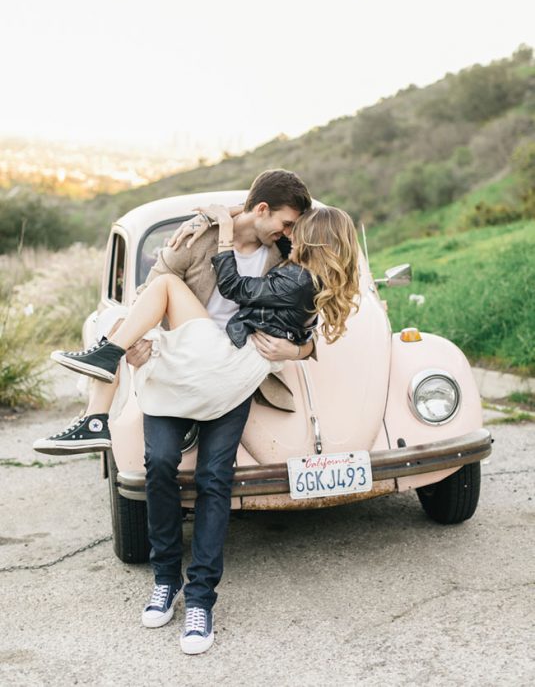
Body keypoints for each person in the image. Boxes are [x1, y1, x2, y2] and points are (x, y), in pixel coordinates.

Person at [34, 171, 358, 655]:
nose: (290, 233)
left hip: (231, 375)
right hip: (179, 362)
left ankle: (201, 598)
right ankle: (166, 579)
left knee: (213, 477)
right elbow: (150, 291)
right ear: (263, 210)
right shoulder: (197, 237)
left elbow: (309, 309)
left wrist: (297, 350)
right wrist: (139, 341)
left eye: (297, 228)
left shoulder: (287, 253)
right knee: (160, 464)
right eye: (286, 223)